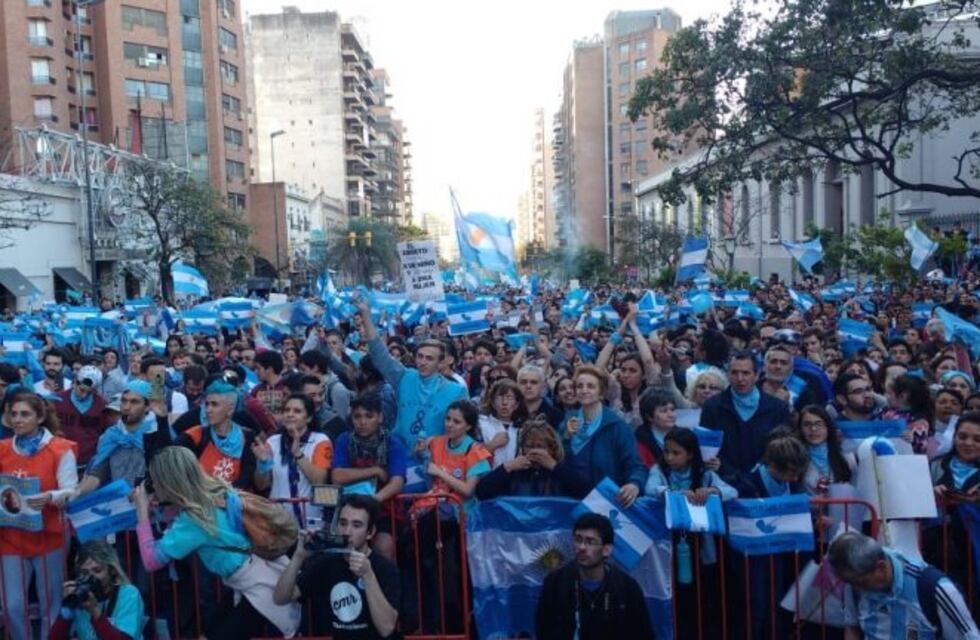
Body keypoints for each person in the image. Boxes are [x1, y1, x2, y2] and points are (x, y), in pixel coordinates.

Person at [133, 446, 301, 639]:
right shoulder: (215, 492)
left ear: (168, 482)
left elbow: (151, 560)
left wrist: (142, 514)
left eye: (155, 480)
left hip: (255, 588)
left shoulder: (193, 521)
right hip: (258, 575)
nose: (153, 485)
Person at [644, 427, 736, 639]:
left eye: (676, 453)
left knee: (703, 595)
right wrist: (674, 494)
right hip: (670, 543)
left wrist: (714, 491)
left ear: (691, 454)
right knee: (676, 594)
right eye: (667, 451)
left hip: (701, 544)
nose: (669, 457)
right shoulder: (659, 471)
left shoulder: (705, 474)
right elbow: (650, 489)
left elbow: (732, 491)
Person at [0, 391, 78, 640]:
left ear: (40, 417)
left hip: (49, 537)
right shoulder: (1, 449)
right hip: (10, 537)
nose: (18, 420)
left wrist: (51, 497)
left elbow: (71, 490)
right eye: (13, 414)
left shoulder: (59, 449)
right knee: (12, 605)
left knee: (51, 606)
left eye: (25, 414)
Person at [273, 495, 400, 639]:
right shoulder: (326, 563)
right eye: (343, 523)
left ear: (370, 532)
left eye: (356, 525)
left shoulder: (384, 568)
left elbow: (387, 628)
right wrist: (298, 557)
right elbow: (281, 598)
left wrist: (368, 575)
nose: (347, 532)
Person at [829, 531, 980, 639]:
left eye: (861, 583)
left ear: (881, 567)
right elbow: (852, 628)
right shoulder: (854, 583)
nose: (856, 589)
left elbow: (968, 635)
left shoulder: (935, 588)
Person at [359, 299, 467, 448]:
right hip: (400, 456)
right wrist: (366, 316)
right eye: (420, 356)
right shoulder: (404, 377)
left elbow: (464, 430)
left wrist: (435, 443)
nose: (422, 362)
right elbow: (379, 354)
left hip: (435, 460)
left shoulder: (456, 391)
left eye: (429, 358)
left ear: (441, 363)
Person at [535, 513, 654, 640]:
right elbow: (544, 632)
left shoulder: (627, 588)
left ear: (606, 549)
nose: (581, 547)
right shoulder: (555, 583)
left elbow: (644, 634)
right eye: (578, 539)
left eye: (590, 542)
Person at [701, 351, 790, 491]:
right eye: (734, 373)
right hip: (724, 484)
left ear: (756, 375)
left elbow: (781, 448)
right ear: (728, 374)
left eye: (746, 373)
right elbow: (707, 448)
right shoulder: (712, 407)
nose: (740, 378)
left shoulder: (777, 408)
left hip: (765, 485)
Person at [557, 365, 647, 505]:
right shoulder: (567, 422)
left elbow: (636, 465)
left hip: (605, 503)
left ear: (602, 392)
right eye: (580, 386)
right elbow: (557, 463)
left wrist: (634, 484)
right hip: (571, 503)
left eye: (591, 386)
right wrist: (566, 437)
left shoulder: (617, 426)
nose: (584, 390)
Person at [252, 393, 332, 526]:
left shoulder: (320, 441)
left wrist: (298, 454)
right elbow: (262, 485)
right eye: (286, 410)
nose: (290, 414)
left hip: (311, 520)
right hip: (278, 520)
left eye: (297, 411)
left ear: (309, 418)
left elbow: (319, 481)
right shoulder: (272, 442)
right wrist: (263, 463)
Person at [476, 416, 591, 499]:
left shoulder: (561, 468)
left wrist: (554, 467)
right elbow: (481, 492)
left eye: (540, 446)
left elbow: (585, 491)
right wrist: (507, 468)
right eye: (529, 446)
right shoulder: (514, 471)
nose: (534, 450)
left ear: (551, 448)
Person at [50, 541, 145, 640]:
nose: (91, 578)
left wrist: (95, 611)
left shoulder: (129, 594)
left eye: (97, 570)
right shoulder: (80, 596)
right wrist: (67, 608)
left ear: (111, 570)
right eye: (84, 573)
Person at [176, 380, 261, 490]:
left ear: (230, 410)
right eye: (207, 404)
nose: (208, 410)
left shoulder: (247, 437)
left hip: (236, 502)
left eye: (214, 405)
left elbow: (249, 479)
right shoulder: (194, 436)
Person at [54, 365, 110, 467]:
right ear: (75, 382)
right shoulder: (57, 400)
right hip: (60, 459)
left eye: (89, 392)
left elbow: (105, 434)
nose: (83, 395)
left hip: (88, 462)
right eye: (81, 389)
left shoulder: (103, 406)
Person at [478, 379, 528, 468]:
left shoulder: (522, 429)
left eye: (509, 397)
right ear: (493, 403)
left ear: (516, 404)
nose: (504, 403)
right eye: (500, 397)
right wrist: (492, 445)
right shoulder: (481, 424)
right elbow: (470, 457)